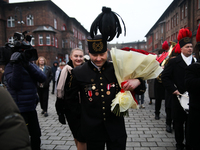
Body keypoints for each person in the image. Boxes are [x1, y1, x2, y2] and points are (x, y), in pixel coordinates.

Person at [66, 35, 143, 150]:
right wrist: (79, 128)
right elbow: (70, 103)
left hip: (116, 128)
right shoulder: (77, 72)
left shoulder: (118, 68)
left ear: (107, 52)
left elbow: (141, 90)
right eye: (94, 55)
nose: (98, 58)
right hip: (92, 130)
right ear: (88, 52)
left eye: (102, 54)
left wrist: (138, 81)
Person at [4, 52, 46, 150]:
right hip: (19, 109)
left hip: (31, 107)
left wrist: (27, 65)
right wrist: (17, 64)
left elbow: (42, 78)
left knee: (36, 135)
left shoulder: (30, 65)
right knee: (21, 137)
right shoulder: (10, 67)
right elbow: (15, 84)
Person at [161, 28, 195, 150]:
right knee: (179, 123)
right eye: (187, 47)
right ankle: (179, 144)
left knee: (192, 124)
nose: (190, 49)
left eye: (191, 46)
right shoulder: (174, 62)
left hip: (193, 98)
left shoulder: (196, 62)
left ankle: (190, 143)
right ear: (181, 48)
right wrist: (173, 90)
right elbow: (165, 77)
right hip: (178, 97)